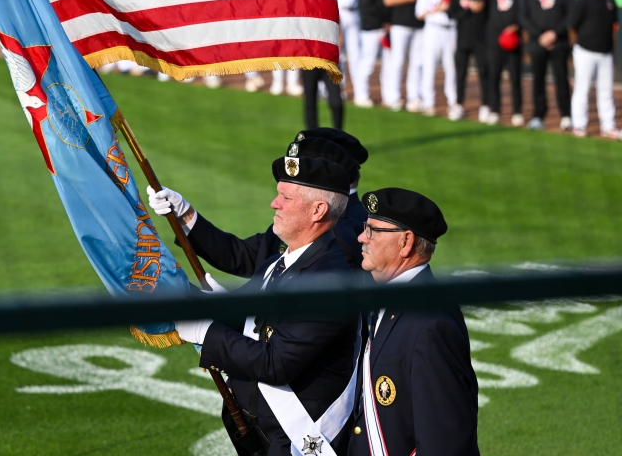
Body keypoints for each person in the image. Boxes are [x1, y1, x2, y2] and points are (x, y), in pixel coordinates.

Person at [176, 155, 358, 456]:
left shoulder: (328, 282)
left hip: (298, 442)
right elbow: (255, 324)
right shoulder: (279, 262)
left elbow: (275, 364)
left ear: (318, 210)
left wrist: (205, 332)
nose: (275, 203)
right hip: (263, 435)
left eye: (286, 197)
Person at [347, 188, 479, 456]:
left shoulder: (431, 323)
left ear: (406, 242)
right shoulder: (392, 299)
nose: (361, 237)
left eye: (372, 230)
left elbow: (444, 442)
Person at [147, 128, 372, 274]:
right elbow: (242, 255)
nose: (275, 203)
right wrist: (185, 214)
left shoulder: (345, 232)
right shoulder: (303, 216)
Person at [519, 0, 574, 132]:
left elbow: (570, 16)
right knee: (538, 80)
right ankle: (538, 116)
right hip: (537, 43)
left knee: (561, 79)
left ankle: (566, 115)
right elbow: (523, 17)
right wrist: (540, 36)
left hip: (559, 43)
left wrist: (554, 34)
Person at [568, 0, 620, 139]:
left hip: (605, 54)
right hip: (585, 52)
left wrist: (611, 54)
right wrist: (575, 48)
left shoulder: (610, 1)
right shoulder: (584, 0)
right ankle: (579, 126)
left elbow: (613, 28)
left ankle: (609, 126)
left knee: (606, 91)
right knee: (582, 89)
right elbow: (571, 26)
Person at [382, 0, 425, 112]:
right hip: (399, 23)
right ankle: (393, 98)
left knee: (417, 63)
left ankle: (413, 98)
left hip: (420, 24)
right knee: (397, 62)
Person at [415, 0, 460, 119]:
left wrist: (449, 9)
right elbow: (419, 14)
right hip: (433, 30)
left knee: (451, 68)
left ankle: (454, 102)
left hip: (451, 30)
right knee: (429, 67)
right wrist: (439, 9)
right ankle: (428, 102)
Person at [448, 0, 489, 123]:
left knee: (483, 73)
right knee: (460, 74)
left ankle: (485, 105)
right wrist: (469, 9)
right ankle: (458, 104)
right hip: (462, 40)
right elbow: (452, 14)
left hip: (480, 40)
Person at [484, 0, 523, 127]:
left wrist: (516, 27)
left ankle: (517, 111)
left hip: (513, 42)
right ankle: (495, 110)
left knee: (515, 78)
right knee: (494, 77)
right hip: (494, 42)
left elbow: (525, 16)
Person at [355, 0, 388, 108]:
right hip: (371, 27)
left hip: (383, 26)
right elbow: (368, 6)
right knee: (367, 62)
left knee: (387, 63)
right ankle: (361, 95)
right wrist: (382, 19)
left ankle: (388, 96)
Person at [338, 0, 365, 105]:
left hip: (353, 13)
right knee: (337, 54)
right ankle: (338, 90)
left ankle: (360, 93)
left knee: (356, 55)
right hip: (337, 11)